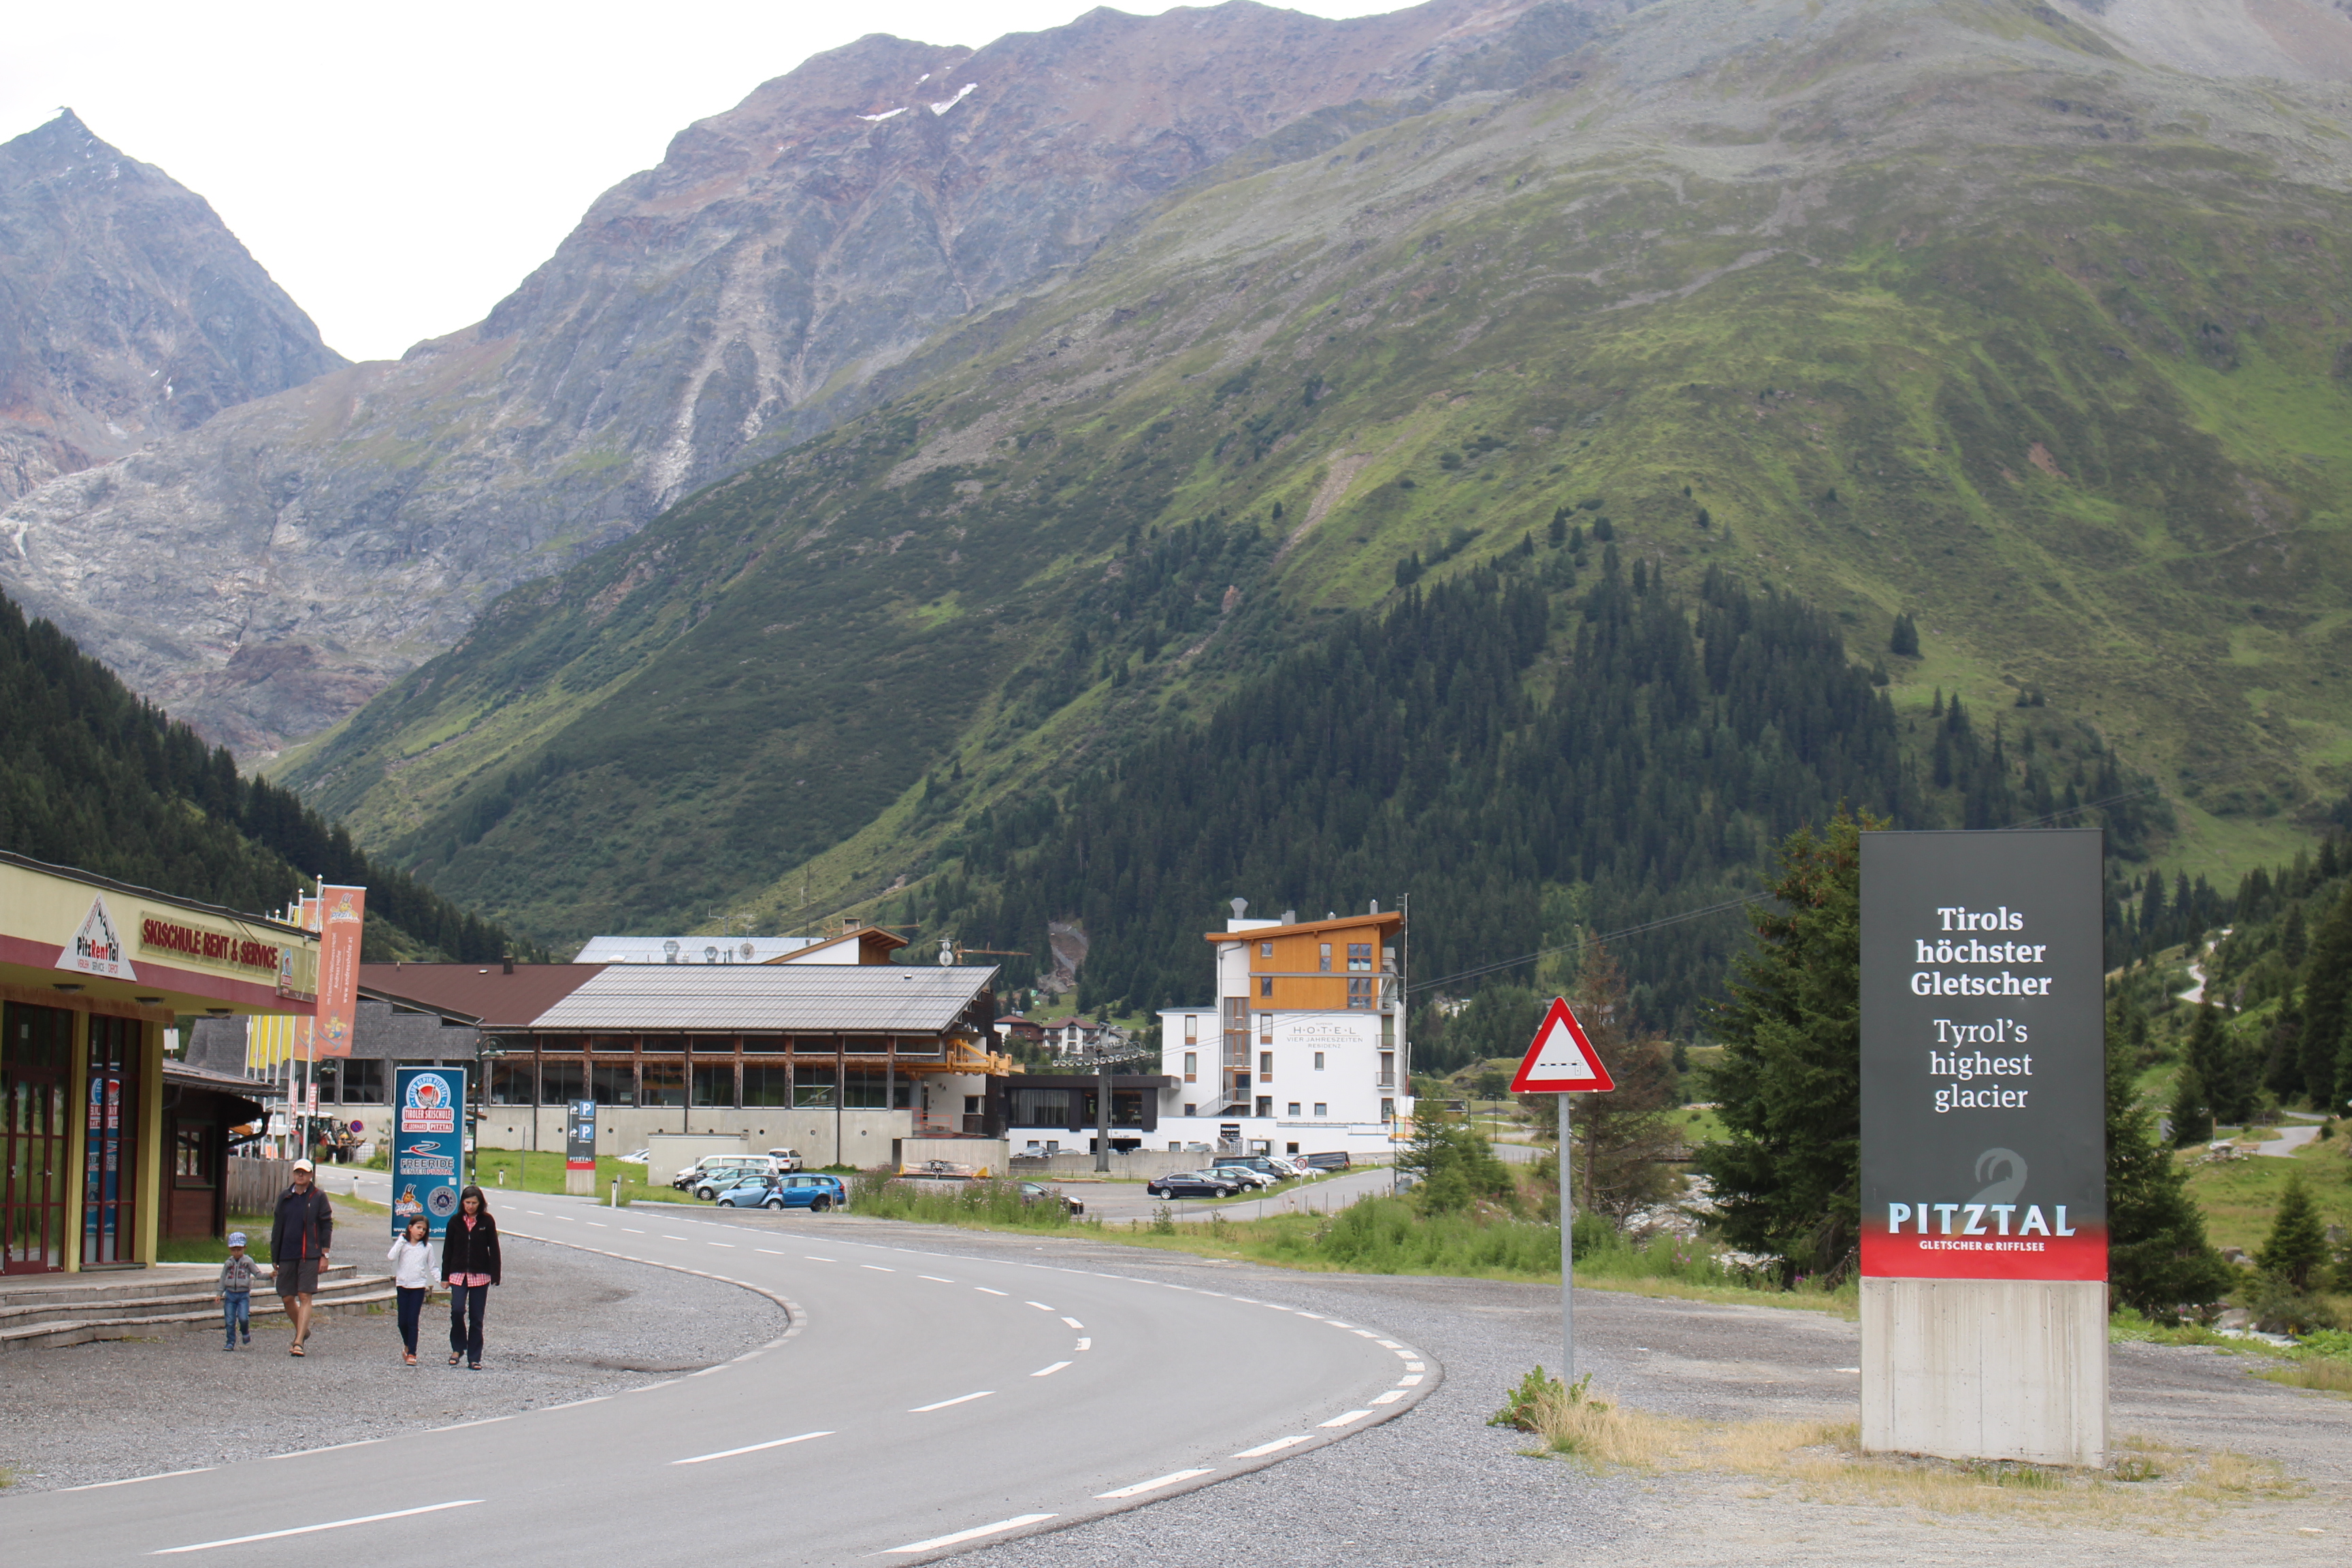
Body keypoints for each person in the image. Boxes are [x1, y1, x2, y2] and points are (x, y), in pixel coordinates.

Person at [270, 1158, 333, 1357]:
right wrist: (275, 1254)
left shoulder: (318, 1196)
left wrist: (325, 1254)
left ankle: (298, 1343)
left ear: (311, 1175)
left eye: (304, 1172)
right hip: (287, 1252)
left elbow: (326, 1225)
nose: (300, 1175)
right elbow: (278, 1226)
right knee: (287, 1297)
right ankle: (303, 1330)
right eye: (298, 1172)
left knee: (305, 1295)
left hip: (310, 1254)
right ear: (293, 1174)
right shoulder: (285, 1197)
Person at [439, 1185, 500, 1369]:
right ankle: (458, 1348)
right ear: (462, 1203)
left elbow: (494, 1248)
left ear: (480, 1203)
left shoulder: (487, 1221)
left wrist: (496, 1273)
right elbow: (448, 1250)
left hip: (480, 1275)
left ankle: (474, 1357)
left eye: (474, 1203)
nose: (471, 1206)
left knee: (477, 1317)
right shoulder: (455, 1222)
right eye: (468, 1202)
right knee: (457, 1310)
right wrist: (445, 1276)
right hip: (458, 1274)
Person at [386, 1215, 436, 1366]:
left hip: (418, 1287)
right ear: (410, 1228)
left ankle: (413, 1353)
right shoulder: (403, 1245)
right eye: (418, 1228)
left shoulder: (427, 1247)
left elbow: (433, 1267)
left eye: (424, 1229)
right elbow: (391, 1257)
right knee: (403, 1322)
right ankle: (407, 1345)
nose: (421, 1231)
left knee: (413, 1321)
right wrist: (401, 1240)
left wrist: (442, 1280)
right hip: (403, 1286)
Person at [216, 1232, 258, 1351]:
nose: (237, 1253)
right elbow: (223, 1278)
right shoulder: (228, 1263)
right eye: (234, 1250)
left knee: (243, 1318)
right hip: (230, 1294)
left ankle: (245, 1331)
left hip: (243, 1294)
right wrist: (219, 1293)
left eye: (239, 1250)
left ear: (245, 1248)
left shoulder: (248, 1262)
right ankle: (230, 1342)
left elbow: (257, 1273)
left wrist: (269, 1276)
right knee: (229, 1320)